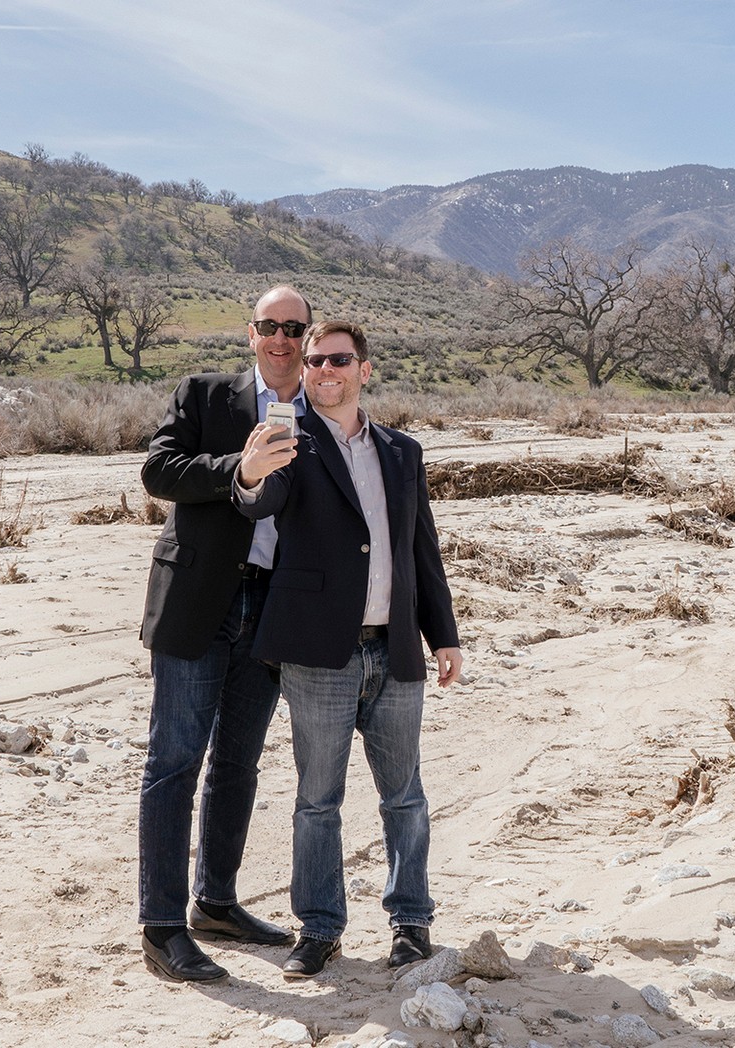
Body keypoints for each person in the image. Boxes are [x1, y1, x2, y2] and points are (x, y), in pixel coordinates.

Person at [233, 320, 464, 979]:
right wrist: (250, 472)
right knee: (317, 800)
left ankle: (412, 926)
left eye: (338, 360)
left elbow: (423, 549)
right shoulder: (290, 443)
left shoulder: (402, 451)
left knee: (405, 798)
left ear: (365, 369)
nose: (324, 370)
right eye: (313, 361)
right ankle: (320, 929)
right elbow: (258, 500)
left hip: (394, 653)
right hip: (317, 654)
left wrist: (441, 635)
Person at [135, 285, 314, 982]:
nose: (281, 338)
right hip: (197, 603)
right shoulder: (204, 396)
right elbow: (158, 471)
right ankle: (161, 928)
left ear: (307, 335)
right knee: (174, 764)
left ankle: (215, 902)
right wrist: (237, 469)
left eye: (293, 327)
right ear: (250, 333)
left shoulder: (323, 414)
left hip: (272, 611)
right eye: (270, 326)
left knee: (239, 763)